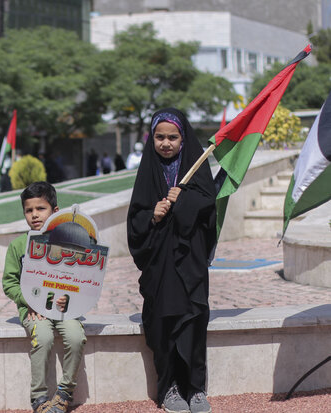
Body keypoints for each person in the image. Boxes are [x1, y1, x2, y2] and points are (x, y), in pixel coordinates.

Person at [127, 108, 216, 413]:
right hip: (160, 266)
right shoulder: (147, 170)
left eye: (172, 137)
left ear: (184, 138)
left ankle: (195, 389)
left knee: (193, 320)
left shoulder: (197, 167)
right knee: (164, 323)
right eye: (159, 137)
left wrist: (184, 201)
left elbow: (208, 205)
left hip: (189, 262)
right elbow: (134, 219)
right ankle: (169, 388)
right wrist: (152, 214)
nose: (165, 143)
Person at [2, 182, 87, 413]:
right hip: (32, 309)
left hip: (64, 308)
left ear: (55, 211)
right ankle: (38, 397)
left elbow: (80, 279)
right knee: (44, 338)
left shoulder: (69, 242)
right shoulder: (18, 245)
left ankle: (65, 392)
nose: (34, 215)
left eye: (41, 209)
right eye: (29, 210)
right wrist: (27, 299)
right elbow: (9, 283)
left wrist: (68, 298)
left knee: (76, 336)